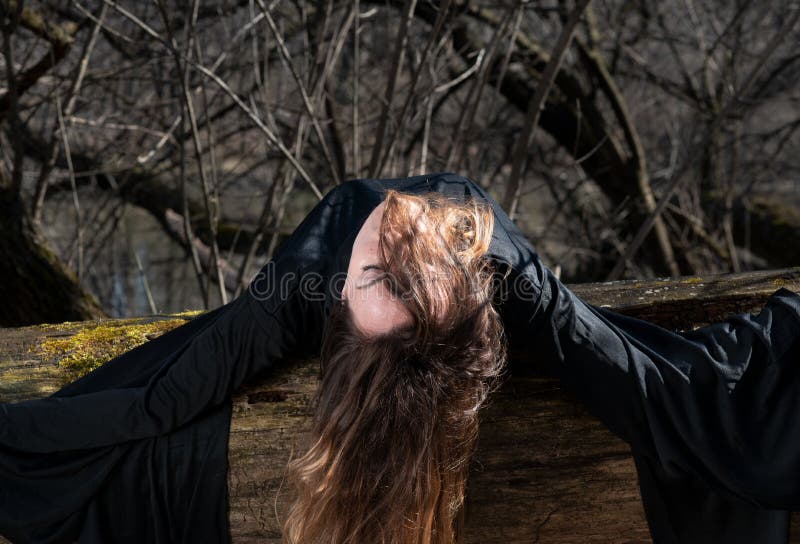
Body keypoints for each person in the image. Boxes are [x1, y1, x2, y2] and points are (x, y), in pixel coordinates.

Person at [0, 172, 799, 544]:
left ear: (343, 306)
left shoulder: (308, 277)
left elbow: (166, 393)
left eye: (380, 273)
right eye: (403, 274)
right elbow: (648, 385)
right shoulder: (493, 270)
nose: (392, 231)